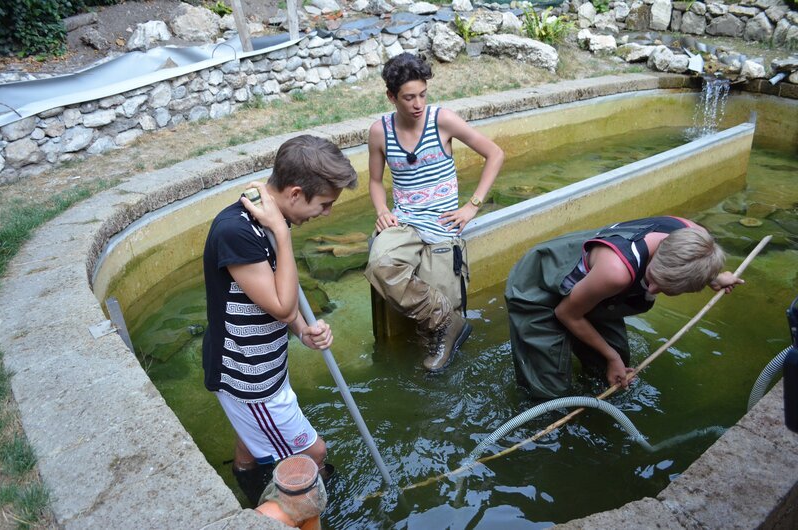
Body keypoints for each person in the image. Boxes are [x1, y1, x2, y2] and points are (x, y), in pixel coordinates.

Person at [202, 135, 358, 505]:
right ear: (294, 193)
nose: (326, 214)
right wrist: (284, 237)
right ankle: (292, 509)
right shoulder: (239, 231)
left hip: (264, 364)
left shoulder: (267, 218)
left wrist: (302, 330)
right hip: (249, 377)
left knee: (251, 437)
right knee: (314, 456)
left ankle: (245, 481)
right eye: (324, 205)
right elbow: (282, 306)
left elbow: (281, 305)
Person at [365, 52, 504, 372]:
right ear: (391, 97)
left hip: (443, 225)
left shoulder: (442, 119)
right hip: (405, 222)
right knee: (380, 265)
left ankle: (443, 334)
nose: (418, 104)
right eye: (409, 97)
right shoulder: (379, 131)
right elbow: (374, 181)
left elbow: (494, 153)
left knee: (441, 309)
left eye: (423, 95)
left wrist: (473, 205)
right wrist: (382, 209)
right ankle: (448, 322)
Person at [505, 216, 744, 400]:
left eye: (665, 289)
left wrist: (713, 277)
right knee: (550, 389)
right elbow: (565, 313)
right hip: (540, 284)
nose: (651, 291)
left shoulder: (695, 236)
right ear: (659, 250)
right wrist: (611, 356)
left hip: (593, 289)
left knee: (611, 376)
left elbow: (694, 263)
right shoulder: (616, 273)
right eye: (651, 279)